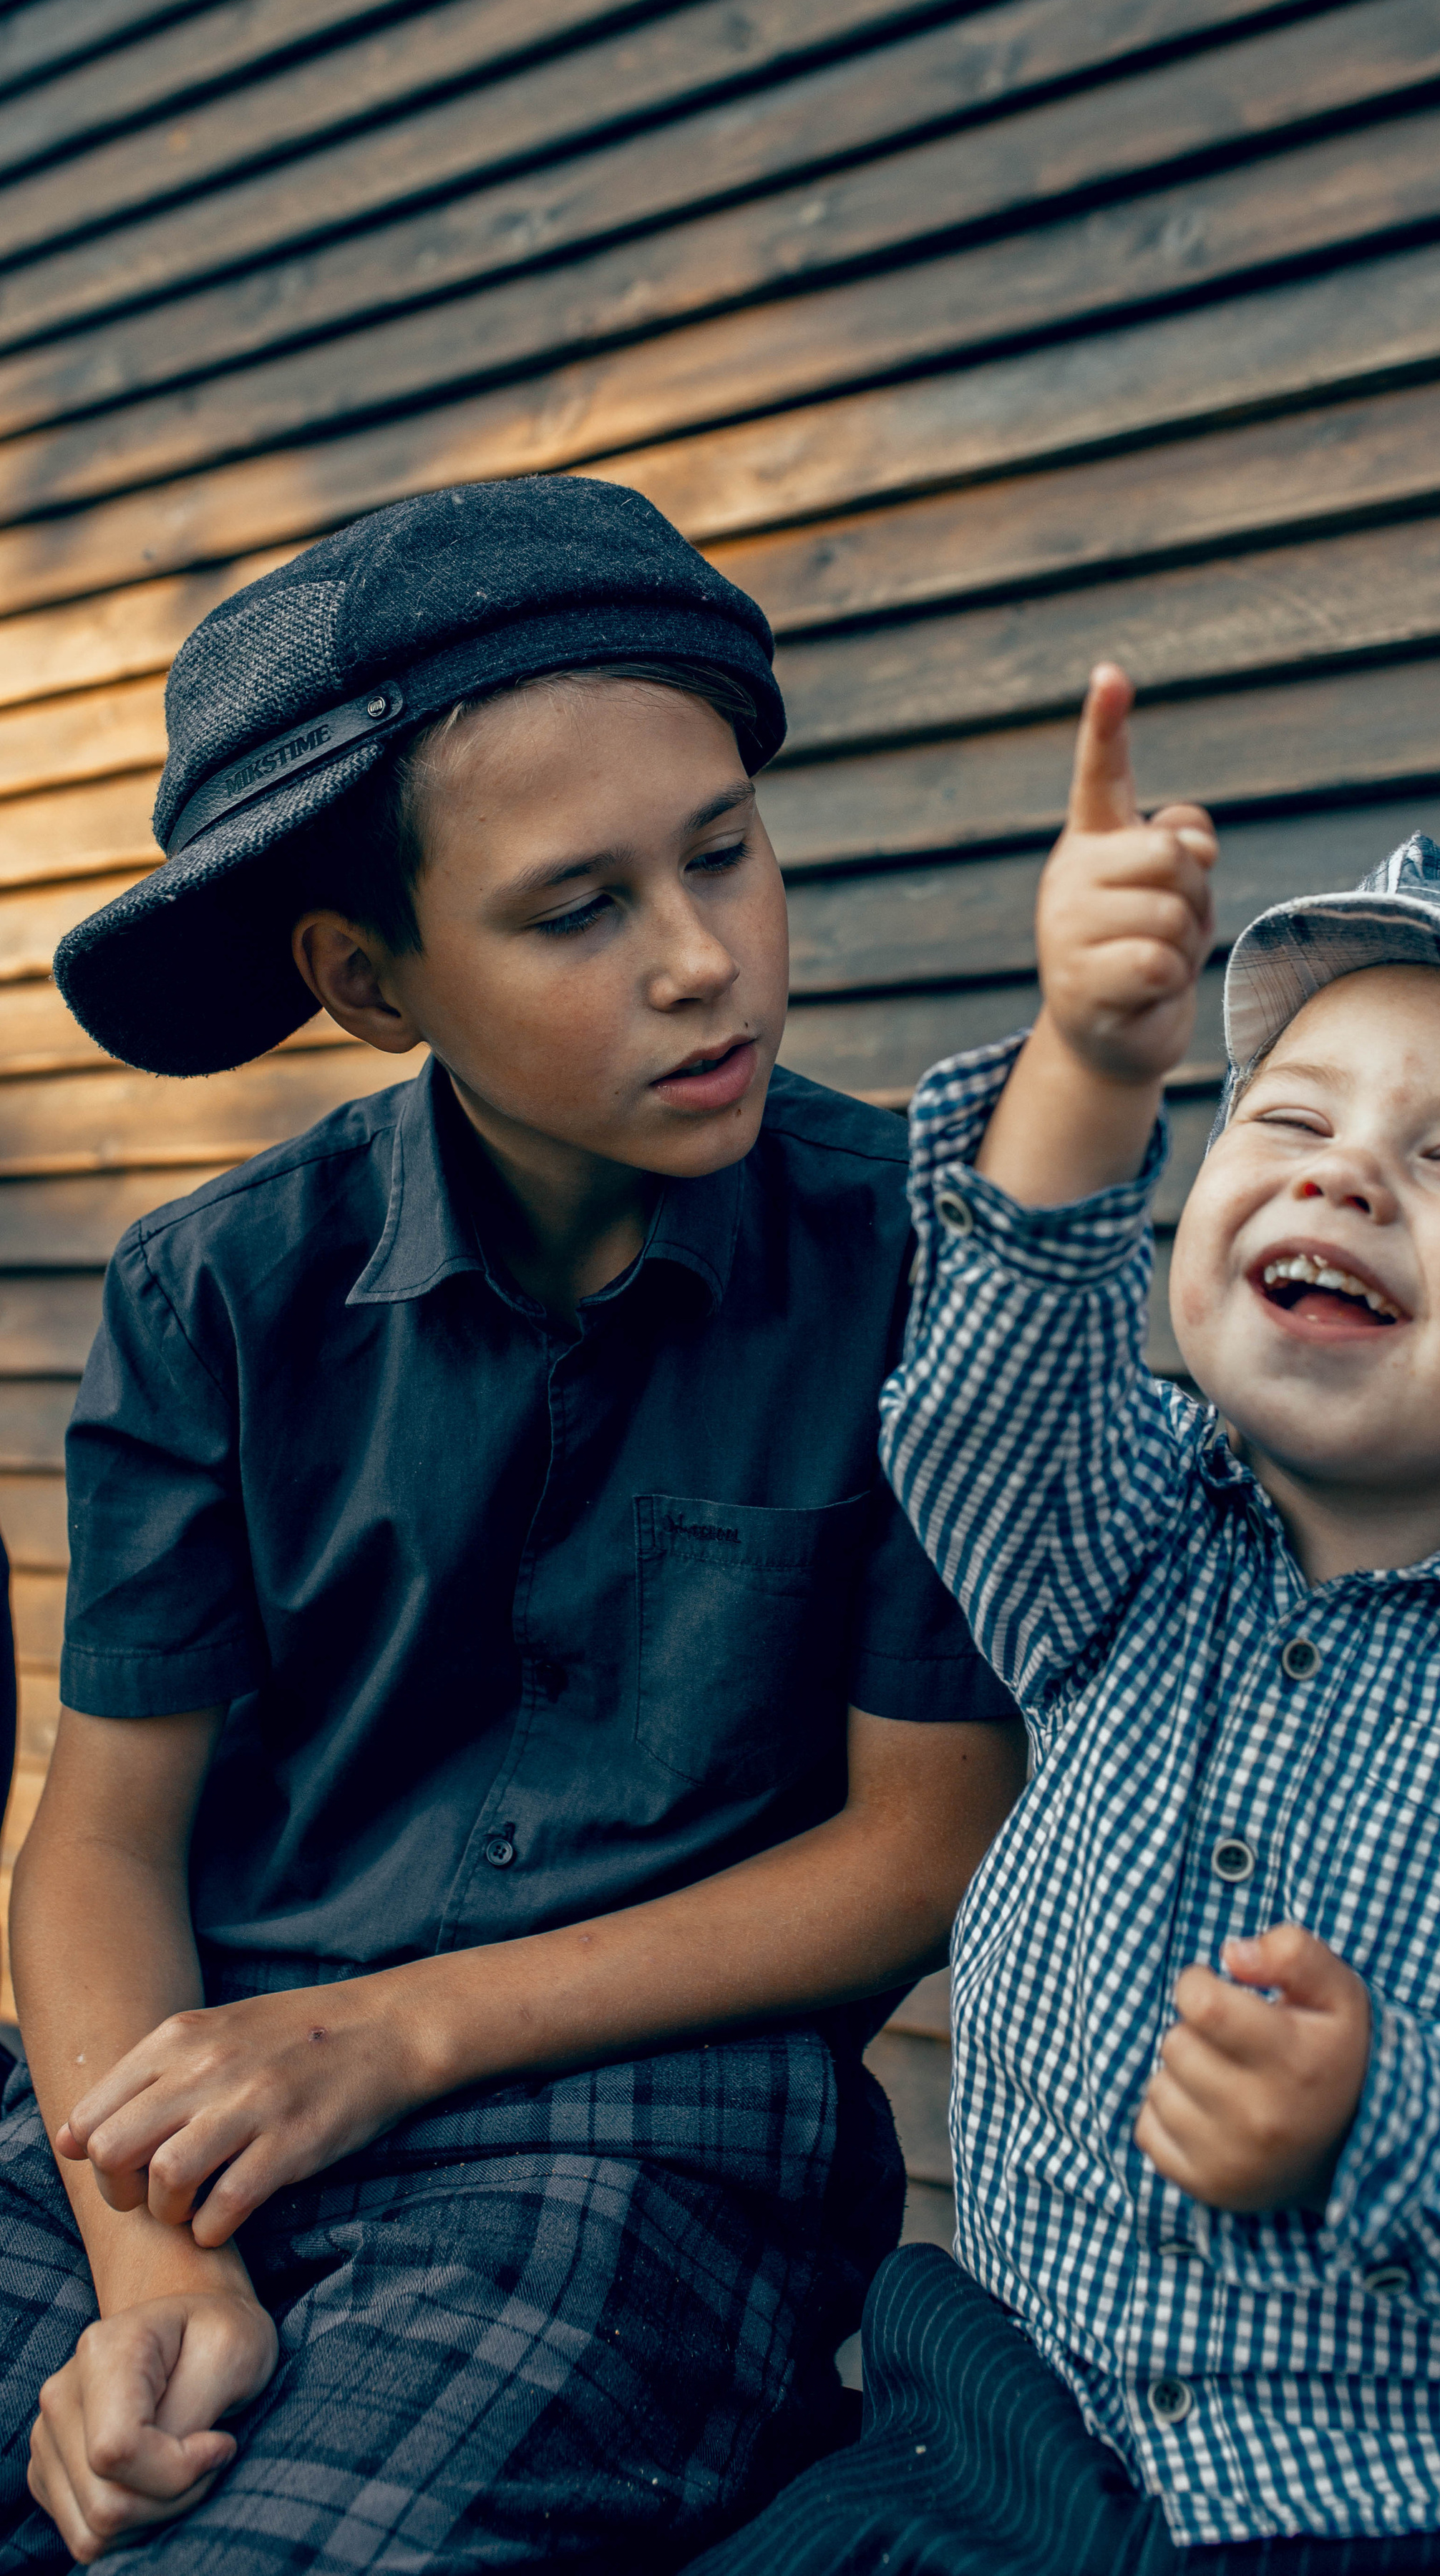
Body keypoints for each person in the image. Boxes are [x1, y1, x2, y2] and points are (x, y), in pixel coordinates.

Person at [0, 477, 1026, 2572]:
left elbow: (931, 1835)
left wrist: (400, 2030)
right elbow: (102, 1835)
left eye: (726, 851)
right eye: (577, 910)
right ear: (371, 981)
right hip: (191, 2103)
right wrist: (149, 2260)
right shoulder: (211, 1295)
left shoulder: (916, 1257)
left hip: (634, 2128)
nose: (702, 959)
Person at [692, 664, 1440, 2575]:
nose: (1344, 1168)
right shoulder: (1114, 1535)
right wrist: (1094, 1065)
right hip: (1021, 2443)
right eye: (1283, 1117)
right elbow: (980, 1389)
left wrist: (1386, 2112)